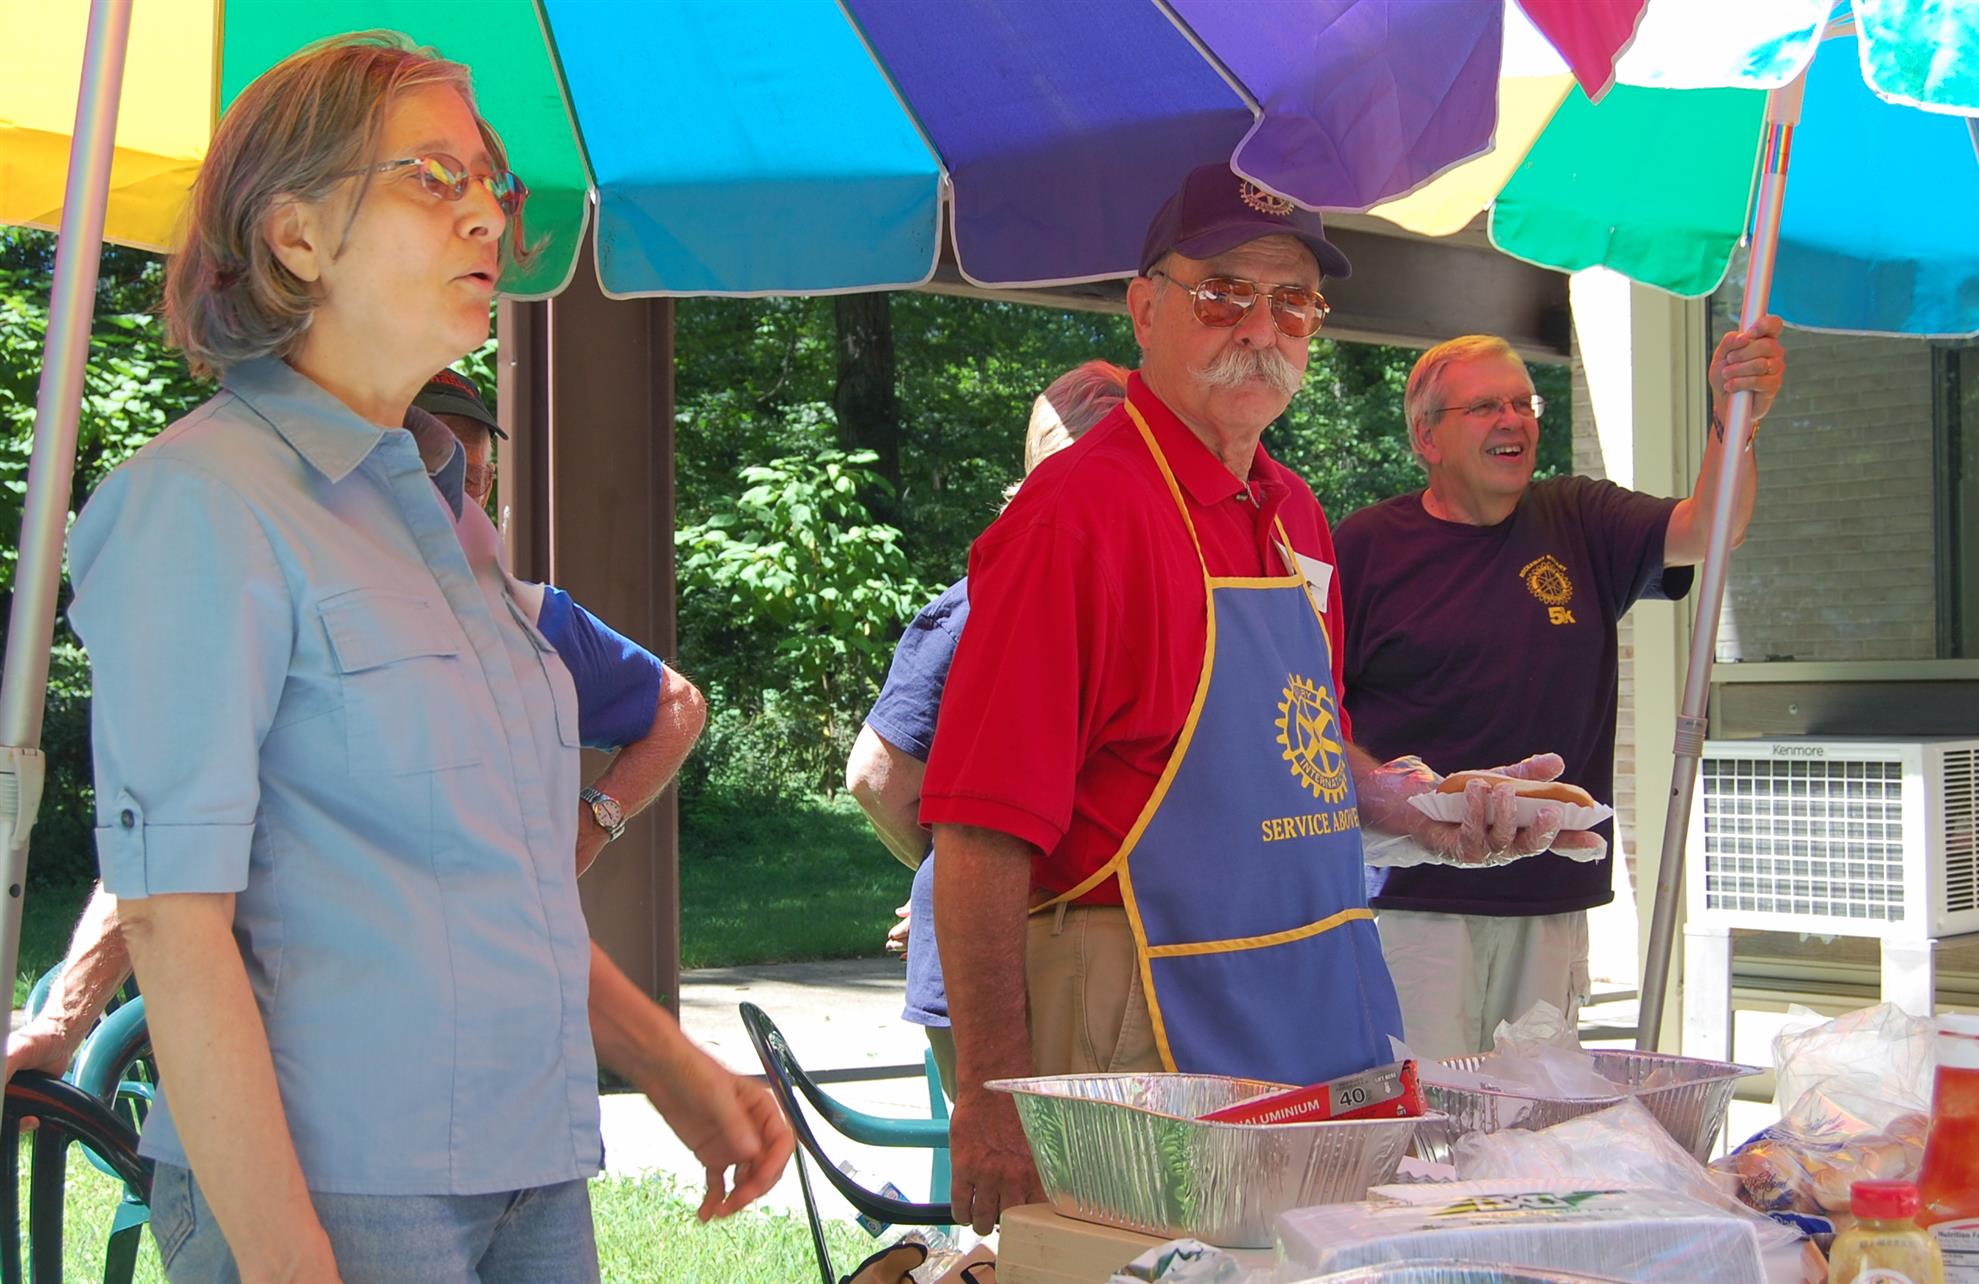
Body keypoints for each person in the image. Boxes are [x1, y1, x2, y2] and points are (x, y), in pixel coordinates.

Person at [59, 34, 787, 1280]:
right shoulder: (196, 502)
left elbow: (488, 880)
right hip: (334, 1190)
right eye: (431, 179)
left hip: (529, 1173)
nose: (487, 218)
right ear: (296, 239)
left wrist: (668, 1062)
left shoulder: (444, 511)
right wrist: (287, 1256)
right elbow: (176, 927)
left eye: (490, 182)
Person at [922, 163, 1579, 1234]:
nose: (1258, 325)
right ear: (1142, 307)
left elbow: (1299, 750)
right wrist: (991, 1103)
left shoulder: (1291, 511)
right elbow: (978, 831)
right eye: (1220, 291)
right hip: (1146, 1024)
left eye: (1291, 302)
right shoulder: (1073, 518)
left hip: (1315, 1013)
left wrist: (1421, 808)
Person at [7, 369, 704, 1081]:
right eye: (423, 474)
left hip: (498, 1081)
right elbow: (163, 840)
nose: (450, 505)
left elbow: (677, 707)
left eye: (471, 481)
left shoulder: (531, 621)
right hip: (308, 1073)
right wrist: (63, 1020)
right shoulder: (278, 613)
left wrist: (592, 820)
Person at [1335, 327, 1784, 1060]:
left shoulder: (1577, 517)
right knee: (1412, 1133)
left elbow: (1713, 526)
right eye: (1484, 407)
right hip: (1409, 901)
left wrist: (1737, 417)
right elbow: (1315, 710)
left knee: (1529, 1134)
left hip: (1548, 891)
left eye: (1523, 402)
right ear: (1426, 437)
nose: (1513, 420)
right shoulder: (1362, 547)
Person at [846, 360, 1129, 1099]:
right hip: (995, 964)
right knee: (1015, 1186)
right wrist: (961, 884)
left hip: (1099, 952)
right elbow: (874, 776)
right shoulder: (979, 600)